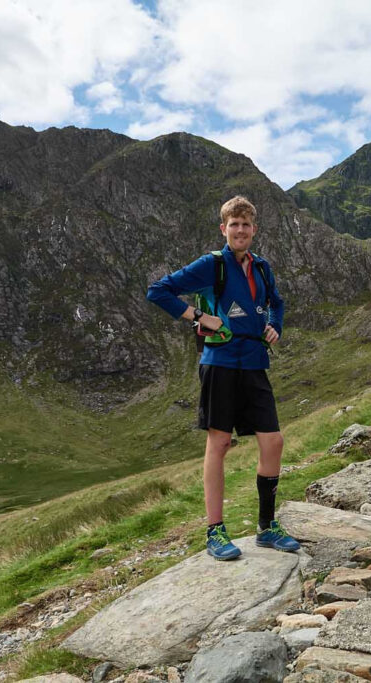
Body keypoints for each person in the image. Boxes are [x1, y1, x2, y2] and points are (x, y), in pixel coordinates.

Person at [146, 195, 300, 560]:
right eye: (234, 224)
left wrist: (274, 326)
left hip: (254, 361)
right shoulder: (211, 265)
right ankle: (215, 531)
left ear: (254, 230)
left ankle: (266, 527)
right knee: (219, 445)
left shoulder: (262, 268)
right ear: (224, 229)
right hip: (220, 362)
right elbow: (159, 291)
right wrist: (198, 317)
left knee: (273, 441)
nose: (241, 230)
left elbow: (276, 302)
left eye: (246, 224)